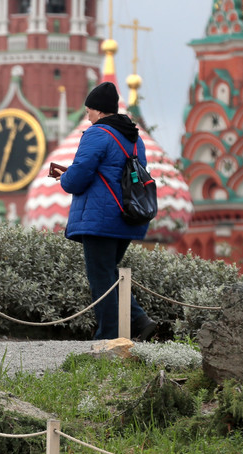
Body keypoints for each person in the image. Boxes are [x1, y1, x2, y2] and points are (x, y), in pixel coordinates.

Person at [57, 82, 157, 341]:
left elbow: (78, 177)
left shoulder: (97, 133)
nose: (87, 116)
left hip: (100, 219)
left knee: (101, 278)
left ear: (99, 111)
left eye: (89, 110)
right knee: (110, 274)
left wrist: (64, 178)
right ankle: (139, 320)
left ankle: (108, 336)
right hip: (129, 216)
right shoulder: (135, 138)